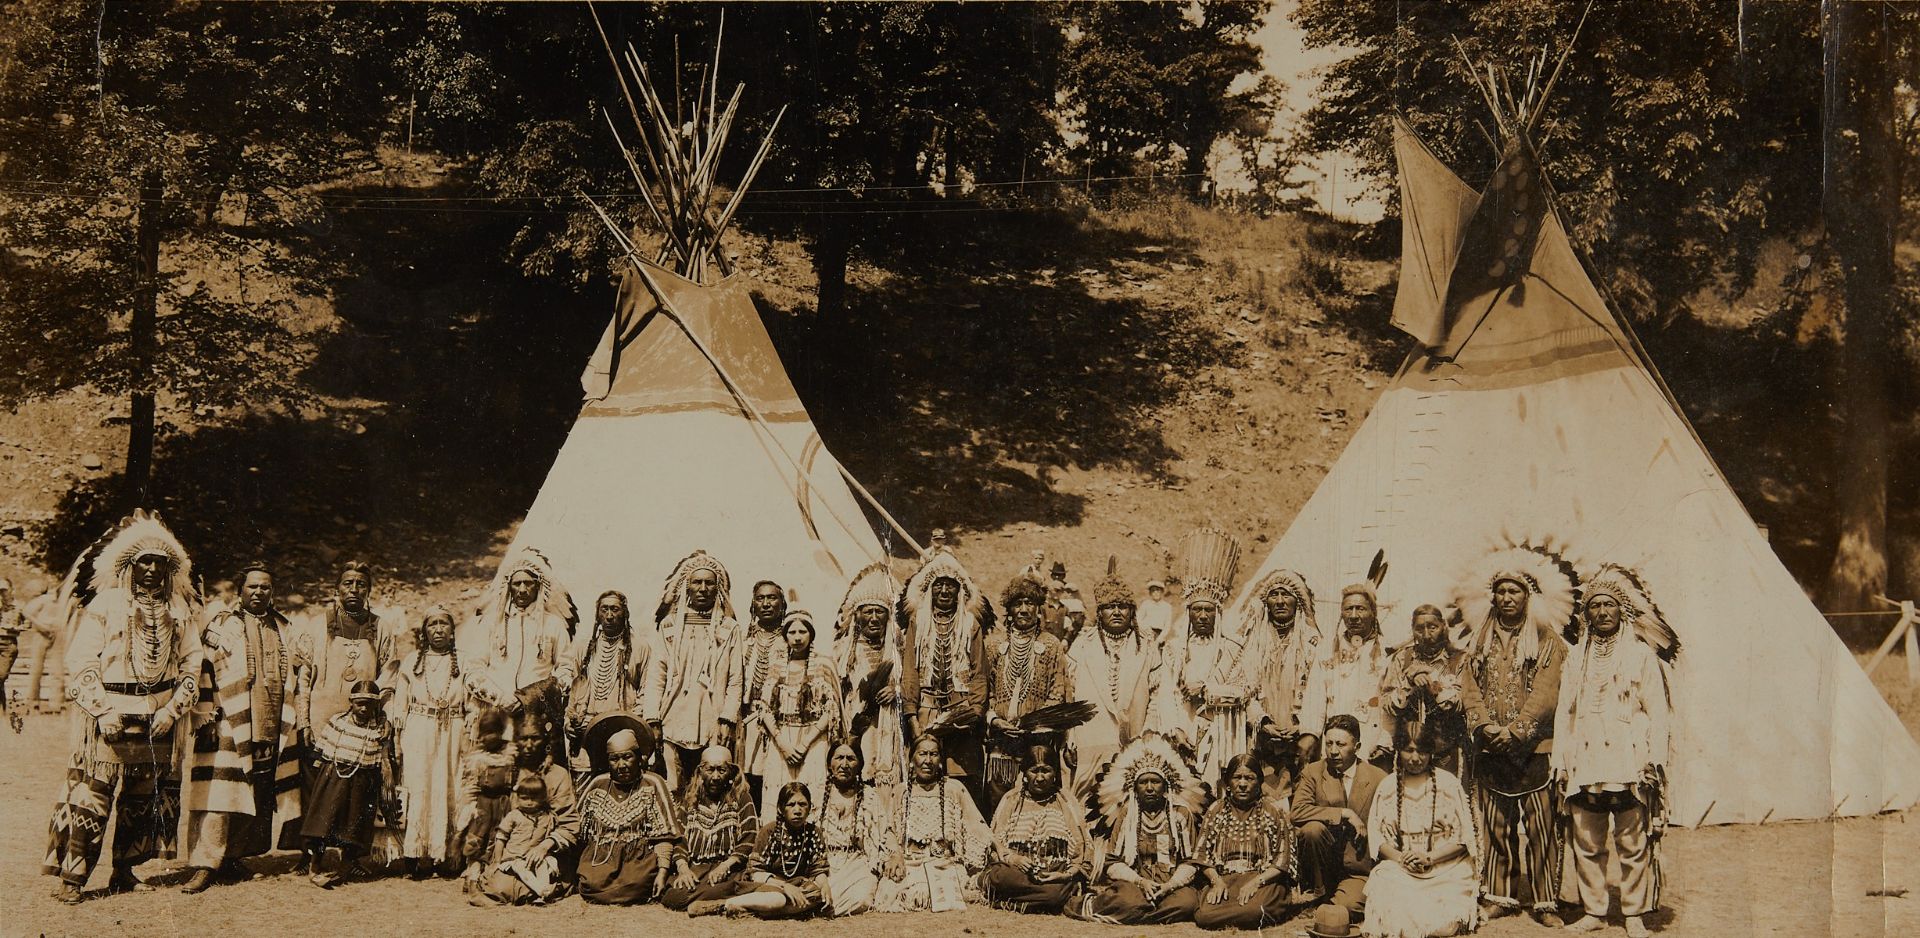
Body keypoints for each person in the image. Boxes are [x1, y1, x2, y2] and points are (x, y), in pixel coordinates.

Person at [44, 514, 205, 903]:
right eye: (144, 562)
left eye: (159, 563)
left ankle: (124, 869)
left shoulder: (180, 608)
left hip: (160, 718)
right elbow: (81, 660)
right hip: (111, 712)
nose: (151, 569)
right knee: (94, 794)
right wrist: (101, 710)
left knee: (142, 796)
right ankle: (74, 877)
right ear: (130, 566)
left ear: (169, 569)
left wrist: (172, 711)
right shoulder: (108, 603)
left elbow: (192, 662)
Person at [1554, 565, 1678, 938]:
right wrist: (1561, 760)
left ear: (1620, 611)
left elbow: (1658, 711)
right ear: (1586, 614)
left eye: (1609, 606)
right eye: (1595, 607)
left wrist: (1654, 761)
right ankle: (1594, 910)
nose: (1602, 613)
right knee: (1587, 839)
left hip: (1628, 758)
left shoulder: (1641, 655)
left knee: (1631, 840)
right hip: (1586, 758)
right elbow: (1565, 711)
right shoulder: (1576, 656)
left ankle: (1634, 913)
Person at [1458, 545, 1573, 926]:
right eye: (1502, 592)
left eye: (1515, 592)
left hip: (1533, 748)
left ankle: (1544, 902)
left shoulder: (1546, 640)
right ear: (1493, 596)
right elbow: (1469, 685)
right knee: (1497, 825)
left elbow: (1546, 691)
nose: (1507, 598)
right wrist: (1485, 726)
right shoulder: (1479, 639)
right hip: (1491, 745)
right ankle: (1501, 896)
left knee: (1540, 826)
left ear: (1528, 596)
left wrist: (1518, 732)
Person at [182, 563, 302, 894]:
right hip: (227, 720)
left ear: (272, 592)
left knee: (255, 791)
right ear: (240, 591)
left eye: (265, 587)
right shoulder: (223, 626)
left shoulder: (283, 627)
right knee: (219, 795)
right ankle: (205, 864)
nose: (259, 592)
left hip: (269, 718)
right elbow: (202, 667)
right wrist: (204, 712)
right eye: (252, 587)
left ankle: (236, 857)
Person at [1361, 718, 1479, 938]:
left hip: (1445, 869)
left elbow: (1463, 839)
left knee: (1442, 926)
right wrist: (1400, 858)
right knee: (1389, 905)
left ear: (1431, 752)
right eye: (1408, 750)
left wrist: (1430, 858)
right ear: (1398, 750)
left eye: (1422, 751)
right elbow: (1378, 839)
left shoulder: (1448, 783)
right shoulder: (1388, 786)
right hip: (1401, 868)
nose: (1415, 758)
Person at [897, 540, 992, 811]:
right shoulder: (919, 622)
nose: (944, 590)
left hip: (962, 710)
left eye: (951, 584)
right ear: (929, 590)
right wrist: (911, 716)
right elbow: (911, 673)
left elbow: (979, 673)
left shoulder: (970, 625)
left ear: (960, 590)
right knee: (925, 771)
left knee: (964, 776)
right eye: (938, 584)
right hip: (926, 708)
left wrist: (974, 712)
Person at [462, 547, 577, 766]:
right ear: (509, 587)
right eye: (517, 583)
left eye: (528, 583)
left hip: (536, 717)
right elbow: (472, 671)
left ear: (538, 586)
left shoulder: (553, 625)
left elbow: (566, 671)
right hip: (497, 717)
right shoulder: (491, 623)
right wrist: (501, 698)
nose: (522, 589)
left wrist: (532, 697)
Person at [1066, 560, 1165, 796]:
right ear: (1099, 612)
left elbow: (1158, 692)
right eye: (1110, 606)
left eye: (1123, 606)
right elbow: (1069, 694)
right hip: (1090, 737)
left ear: (1132, 611)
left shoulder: (1147, 644)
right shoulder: (1083, 643)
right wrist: (1069, 736)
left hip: (1136, 738)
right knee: (1086, 801)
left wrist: (1150, 730)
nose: (1117, 612)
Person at [646, 550, 741, 794]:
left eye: (709, 583)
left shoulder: (729, 628)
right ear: (687, 587)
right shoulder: (669, 626)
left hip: (711, 718)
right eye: (696, 582)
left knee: (708, 787)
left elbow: (734, 680)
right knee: (672, 786)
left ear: (717, 588)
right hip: (672, 719)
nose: (702, 588)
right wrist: (653, 718)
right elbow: (657, 675)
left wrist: (727, 718)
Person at [1084, 732, 1205, 925]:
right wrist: (1141, 882)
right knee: (1128, 899)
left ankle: (1137, 913)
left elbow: (1191, 862)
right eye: (1143, 782)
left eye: (1155, 782)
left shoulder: (1181, 813)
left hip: (1170, 883)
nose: (1149, 787)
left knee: (1188, 903)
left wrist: (1170, 885)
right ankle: (1146, 910)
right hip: (1135, 883)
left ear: (1166, 786)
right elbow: (1112, 862)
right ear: (1135, 787)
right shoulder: (1126, 814)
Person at [871, 732, 992, 913]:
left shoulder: (954, 788)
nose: (928, 760)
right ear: (912, 759)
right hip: (910, 862)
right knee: (889, 892)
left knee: (956, 889)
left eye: (933, 754)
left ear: (940, 760)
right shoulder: (901, 791)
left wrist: (998, 847)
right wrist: (895, 854)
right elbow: (888, 829)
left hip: (943, 863)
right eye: (922, 754)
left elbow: (977, 823)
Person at [1231, 568, 1328, 791]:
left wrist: (1304, 729)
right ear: (1266, 601)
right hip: (1262, 737)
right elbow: (1245, 687)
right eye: (1274, 595)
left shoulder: (1313, 644)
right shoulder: (1253, 643)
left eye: (1287, 595)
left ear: (1298, 601)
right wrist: (1263, 722)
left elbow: (1317, 691)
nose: (1281, 601)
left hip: (1300, 737)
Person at [390, 605, 470, 879]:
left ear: (452, 630)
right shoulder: (412, 661)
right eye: (432, 624)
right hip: (419, 729)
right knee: (418, 785)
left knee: (449, 785)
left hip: (453, 730)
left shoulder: (466, 662)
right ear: (424, 631)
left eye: (443, 624)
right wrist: (397, 741)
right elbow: (400, 705)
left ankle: (445, 855)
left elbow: (472, 705)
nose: (438, 629)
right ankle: (413, 855)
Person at [1164, 528, 1247, 786]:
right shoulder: (1174, 648)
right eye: (1196, 609)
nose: (1202, 615)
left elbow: (1245, 690)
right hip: (1182, 729)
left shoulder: (1233, 647)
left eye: (1208, 610)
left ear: (1217, 613)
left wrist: (1207, 689)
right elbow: (1166, 693)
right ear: (1188, 612)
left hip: (1223, 731)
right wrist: (1174, 729)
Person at [983, 574, 1073, 810]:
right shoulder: (993, 645)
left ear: (1038, 608)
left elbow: (1058, 692)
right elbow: (985, 691)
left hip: (1038, 743)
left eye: (1030, 603)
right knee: (999, 806)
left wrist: (1032, 723)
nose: (1024, 609)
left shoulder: (1051, 645)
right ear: (1009, 609)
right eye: (1017, 604)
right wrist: (995, 720)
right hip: (1001, 743)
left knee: (1040, 808)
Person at [293, 561, 401, 754]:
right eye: (348, 583)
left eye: (361, 585)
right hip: (320, 723)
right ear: (337, 589)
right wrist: (304, 723)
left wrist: (387, 718)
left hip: (363, 727)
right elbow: (303, 678)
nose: (354, 589)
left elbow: (388, 681)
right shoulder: (317, 625)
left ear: (368, 591)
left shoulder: (382, 628)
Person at [299, 680, 399, 888]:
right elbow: (320, 754)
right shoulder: (338, 722)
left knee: (354, 825)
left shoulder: (380, 729)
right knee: (324, 823)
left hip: (362, 781)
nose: (363, 709)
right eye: (359, 703)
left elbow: (384, 759)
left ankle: (347, 866)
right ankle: (315, 866)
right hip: (333, 779)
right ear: (351, 703)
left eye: (369, 705)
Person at [574, 711, 681, 904]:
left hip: (638, 861)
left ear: (639, 758)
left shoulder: (653, 783)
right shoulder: (598, 784)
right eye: (615, 759)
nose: (621, 765)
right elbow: (577, 829)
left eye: (627, 757)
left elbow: (665, 834)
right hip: (601, 857)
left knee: (637, 884)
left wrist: (663, 872)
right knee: (590, 883)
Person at [688, 781, 832, 919]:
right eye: (791, 805)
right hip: (767, 885)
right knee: (778, 900)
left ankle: (758, 910)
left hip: (796, 884)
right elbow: (755, 873)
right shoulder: (769, 832)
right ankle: (723, 905)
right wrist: (784, 886)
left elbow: (817, 869)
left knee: (816, 895)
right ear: (781, 809)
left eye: (802, 804)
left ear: (810, 807)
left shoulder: (814, 832)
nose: (797, 810)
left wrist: (824, 885)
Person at [982, 741, 1093, 914]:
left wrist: (1065, 875)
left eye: (1046, 770)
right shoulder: (1011, 799)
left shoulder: (1066, 801)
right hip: (1016, 873)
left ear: (1055, 773)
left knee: (1056, 892)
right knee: (999, 876)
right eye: (1034, 771)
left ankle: (1006, 901)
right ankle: (1045, 900)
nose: (1040, 778)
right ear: (1025, 774)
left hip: (1054, 875)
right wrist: (1013, 859)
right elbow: (995, 843)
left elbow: (1082, 848)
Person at [1293, 713, 1388, 914]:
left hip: (1359, 867)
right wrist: (1344, 813)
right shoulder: (1314, 771)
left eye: (1341, 744)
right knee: (1312, 829)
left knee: (1344, 910)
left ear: (1357, 747)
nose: (1333, 751)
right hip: (1325, 866)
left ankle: (1337, 901)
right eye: (1329, 744)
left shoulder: (1379, 778)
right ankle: (1320, 892)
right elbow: (1297, 811)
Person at [1193, 754, 1301, 930]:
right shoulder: (1216, 810)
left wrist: (1256, 882)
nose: (1242, 784)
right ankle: (1239, 912)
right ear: (1228, 782)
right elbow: (1202, 855)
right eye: (1237, 777)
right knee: (1204, 916)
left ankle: (1249, 911)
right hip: (1226, 879)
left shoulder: (1273, 812)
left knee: (1255, 911)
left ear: (1259, 782)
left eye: (1249, 778)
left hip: (1263, 880)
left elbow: (1283, 860)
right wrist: (1217, 882)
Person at [752, 609, 840, 822]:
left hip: (814, 739)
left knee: (812, 787)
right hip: (781, 738)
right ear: (785, 636)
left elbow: (831, 709)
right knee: (778, 788)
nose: (798, 637)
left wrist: (804, 744)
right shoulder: (776, 666)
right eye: (792, 632)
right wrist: (783, 743)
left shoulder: (824, 664)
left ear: (811, 635)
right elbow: (764, 709)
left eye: (803, 631)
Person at [661, 745, 759, 911]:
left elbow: (749, 837)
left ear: (731, 773)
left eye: (721, 770)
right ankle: (721, 901)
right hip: (697, 868)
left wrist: (725, 866)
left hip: (729, 869)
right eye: (710, 769)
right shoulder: (691, 799)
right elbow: (680, 839)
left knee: (732, 885)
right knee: (673, 897)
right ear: (700, 772)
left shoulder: (741, 798)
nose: (715, 776)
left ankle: (714, 902)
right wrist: (684, 869)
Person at [565, 590, 650, 778]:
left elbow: (646, 691)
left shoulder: (640, 647)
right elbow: (573, 689)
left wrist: (633, 725)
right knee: (585, 790)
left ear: (625, 613)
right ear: (597, 613)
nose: (609, 616)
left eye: (615, 609)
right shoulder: (583, 646)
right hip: (586, 730)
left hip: (623, 732)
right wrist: (569, 722)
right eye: (604, 609)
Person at [837, 563, 907, 785]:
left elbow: (913, 683)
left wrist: (897, 690)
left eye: (880, 612)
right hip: (857, 725)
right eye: (868, 611)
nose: (874, 618)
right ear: (858, 616)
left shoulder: (900, 649)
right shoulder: (844, 650)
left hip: (891, 725)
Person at [1380, 605, 1467, 775]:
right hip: (1409, 752)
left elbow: (1459, 704)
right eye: (1419, 629)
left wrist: (1433, 682)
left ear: (1443, 626)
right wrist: (1409, 685)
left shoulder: (1459, 659)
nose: (1426, 635)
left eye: (1432, 627)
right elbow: (1387, 703)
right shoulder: (1401, 658)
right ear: (1412, 630)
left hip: (1446, 752)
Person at [733, 579, 790, 802]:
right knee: (747, 775)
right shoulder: (743, 641)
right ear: (753, 605)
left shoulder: (791, 640)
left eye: (772, 598)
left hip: (778, 722)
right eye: (760, 598)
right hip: (746, 720)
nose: (766, 603)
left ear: (782, 605)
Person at [813, 739, 886, 915]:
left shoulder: (870, 796)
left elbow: (882, 834)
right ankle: (818, 904)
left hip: (857, 863)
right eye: (839, 758)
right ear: (829, 763)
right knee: (815, 891)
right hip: (824, 864)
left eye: (850, 759)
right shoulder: (816, 793)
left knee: (862, 899)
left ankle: (817, 908)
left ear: (859, 765)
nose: (844, 764)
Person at [1322, 584, 1391, 767]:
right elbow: (1315, 697)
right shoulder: (1327, 650)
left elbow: (1392, 704)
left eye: (1360, 609)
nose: (1353, 616)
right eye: (1348, 609)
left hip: (1373, 740)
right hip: (1334, 745)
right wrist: (1310, 734)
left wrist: (1385, 742)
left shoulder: (1388, 652)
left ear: (1373, 613)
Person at [478, 773, 564, 905]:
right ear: (517, 798)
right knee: (521, 868)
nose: (529, 802)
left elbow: (554, 833)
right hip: (514, 857)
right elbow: (501, 838)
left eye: (534, 798)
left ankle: (540, 896)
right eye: (524, 798)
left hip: (534, 856)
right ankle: (543, 891)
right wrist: (497, 860)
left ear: (542, 798)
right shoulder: (514, 816)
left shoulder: (547, 817)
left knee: (543, 866)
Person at [457, 709, 518, 877]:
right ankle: (474, 865)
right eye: (484, 734)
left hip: (504, 802)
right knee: (478, 834)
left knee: (500, 833)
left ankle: (495, 866)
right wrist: (470, 806)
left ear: (500, 732)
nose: (487, 738)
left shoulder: (510, 753)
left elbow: (516, 780)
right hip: (483, 802)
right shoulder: (477, 756)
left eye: (491, 733)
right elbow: (470, 783)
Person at [1136, 579, 1176, 647]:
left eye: (1158, 590)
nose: (1156, 593)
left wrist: (1160, 638)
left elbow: (1167, 625)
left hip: (1159, 635)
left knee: (1157, 655)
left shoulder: (1167, 607)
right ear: (1150, 593)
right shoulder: (1146, 604)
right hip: (1146, 634)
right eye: (1153, 591)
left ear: (1162, 592)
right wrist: (1144, 630)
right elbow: (1138, 619)